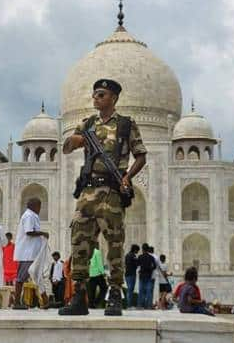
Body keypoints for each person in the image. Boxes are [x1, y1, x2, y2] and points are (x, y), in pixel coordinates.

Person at [59, 78, 147, 317]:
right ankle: (79, 294)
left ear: (113, 98)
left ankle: (115, 294)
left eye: (101, 95)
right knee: (80, 240)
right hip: (87, 192)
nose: (95, 99)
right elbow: (66, 148)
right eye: (95, 94)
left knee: (115, 243)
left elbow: (140, 156)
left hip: (112, 192)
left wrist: (128, 176)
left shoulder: (126, 125)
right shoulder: (86, 124)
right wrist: (74, 141)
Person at [13, 198, 48, 310]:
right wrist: (43, 233)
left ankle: (46, 301)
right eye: (39, 206)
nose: (40, 208)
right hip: (27, 254)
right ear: (34, 206)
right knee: (21, 278)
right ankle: (16, 303)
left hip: (32, 253)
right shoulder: (29, 216)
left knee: (38, 277)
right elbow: (29, 232)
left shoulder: (32, 216)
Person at [137, 245, 156, 309]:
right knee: (149, 292)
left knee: (141, 291)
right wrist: (150, 269)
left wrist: (141, 270)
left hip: (142, 276)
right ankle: (148, 306)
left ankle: (140, 305)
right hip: (149, 276)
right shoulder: (151, 257)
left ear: (142, 249)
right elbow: (155, 266)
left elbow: (137, 265)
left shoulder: (140, 257)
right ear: (148, 250)